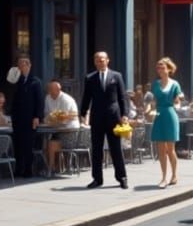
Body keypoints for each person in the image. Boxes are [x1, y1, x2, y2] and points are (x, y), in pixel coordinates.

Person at [80, 50, 129, 189]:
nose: (100, 62)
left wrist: (124, 114)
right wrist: (83, 113)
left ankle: (122, 177)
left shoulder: (116, 76)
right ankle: (97, 179)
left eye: (102, 60)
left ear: (107, 61)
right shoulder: (90, 78)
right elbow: (86, 97)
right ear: (95, 62)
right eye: (97, 60)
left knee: (116, 149)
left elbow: (122, 97)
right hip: (97, 118)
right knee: (96, 149)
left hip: (113, 117)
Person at [150, 57, 183, 189]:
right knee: (161, 149)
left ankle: (174, 175)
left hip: (170, 114)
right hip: (159, 114)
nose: (160, 70)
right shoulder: (155, 84)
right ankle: (163, 177)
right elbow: (153, 101)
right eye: (158, 68)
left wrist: (178, 102)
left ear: (169, 69)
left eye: (162, 67)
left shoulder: (175, 84)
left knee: (170, 149)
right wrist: (150, 111)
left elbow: (178, 100)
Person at [9, 55, 44, 178]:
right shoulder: (17, 80)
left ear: (29, 66)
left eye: (22, 64)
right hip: (18, 118)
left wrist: (37, 116)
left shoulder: (35, 82)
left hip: (30, 118)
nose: (20, 67)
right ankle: (18, 169)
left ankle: (28, 170)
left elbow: (39, 101)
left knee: (28, 144)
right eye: (19, 65)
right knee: (18, 144)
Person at [42, 79, 80, 175]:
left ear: (59, 90)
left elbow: (65, 119)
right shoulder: (47, 98)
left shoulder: (66, 100)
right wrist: (50, 120)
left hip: (70, 131)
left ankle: (51, 168)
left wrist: (52, 121)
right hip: (56, 130)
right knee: (45, 144)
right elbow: (47, 115)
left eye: (52, 89)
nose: (50, 92)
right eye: (49, 89)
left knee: (52, 143)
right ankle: (53, 167)